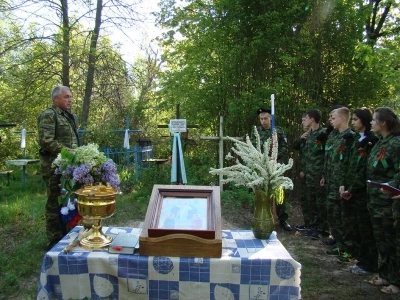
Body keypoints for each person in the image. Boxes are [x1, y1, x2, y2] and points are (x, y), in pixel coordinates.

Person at [37, 86, 80, 249]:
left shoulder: (68, 116)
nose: (70, 100)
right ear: (56, 99)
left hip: (67, 168)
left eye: (70, 97)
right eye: (66, 97)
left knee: (68, 201)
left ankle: (68, 233)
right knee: (55, 203)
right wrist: (69, 152)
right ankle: (54, 240)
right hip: (53, 168)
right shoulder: (49, 114)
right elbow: (46, 141)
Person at [365, 107, 400, 294]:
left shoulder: (396, 143)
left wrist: (390, 185)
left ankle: (396, 281)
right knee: (382, 241)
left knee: (392, 241)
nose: (371, 123)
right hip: (375, 200)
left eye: (374, 120)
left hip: (389, 201)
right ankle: (385, 275)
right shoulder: (379, 143)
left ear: (383, 122)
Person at [340, 108, 378, 274]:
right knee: (354, 226)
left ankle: (369, 262)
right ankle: (359, 257)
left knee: (365, 229)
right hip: (350, 188)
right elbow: (347, 163)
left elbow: (363, 169)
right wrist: (343, 185)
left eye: (356, 119)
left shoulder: (371, 141)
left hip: (361, 191)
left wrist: (353, 188)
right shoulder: (355, 139)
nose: (353, 122)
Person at [320, 107, 355, 259]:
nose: (330, 120)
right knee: (332, 212)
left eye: (333, 118)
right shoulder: (333, 136)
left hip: (342, 183)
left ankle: (345, 246)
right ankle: (336, 239)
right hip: (331, 181)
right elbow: (327, 159)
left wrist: (346, 183)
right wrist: (324, 175)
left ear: (342, 119)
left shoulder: (350, 137)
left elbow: (350, 164)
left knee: (342, 215)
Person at [250, 107, 291, 231]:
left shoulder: (277, 131)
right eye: (261, 119)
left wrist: (274, 156)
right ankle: (261, 216)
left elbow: (285, 147)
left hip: (276, 166)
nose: (263, 121)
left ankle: (282, 219)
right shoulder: (256, 131)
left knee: (279, 191)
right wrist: (262, 158)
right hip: (261, 166)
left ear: (271, 118)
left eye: (265, 118)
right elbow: (252, 147)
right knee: (261, 191)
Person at [299, 109, 327, 240]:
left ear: (312, 119)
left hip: (318, 173)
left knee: (319, 202)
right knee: (310, 201)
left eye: (306, 118)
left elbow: (326, 155)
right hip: (309, 173)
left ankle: (321, 228)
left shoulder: (324, 134)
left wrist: (324, 174)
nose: (303, 121)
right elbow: (305, 154)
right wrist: (303, 169)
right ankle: (312, 225)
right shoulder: (308, 134)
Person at [293, 114, 310, 231]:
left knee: (314, 201)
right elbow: (295, 146)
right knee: (305, 199)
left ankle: (318, 227)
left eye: (304, 120)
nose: (302, 123)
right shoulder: (305, 136)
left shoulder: (320, 135)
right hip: (304, 173)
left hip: (314, 174)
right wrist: (300, 138)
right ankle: (308, 223)